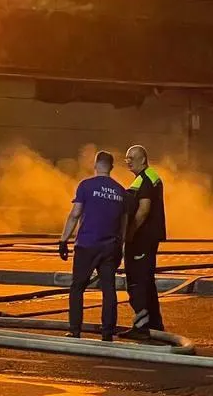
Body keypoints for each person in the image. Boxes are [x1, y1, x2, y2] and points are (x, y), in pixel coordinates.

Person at [59, 150, 127, 341]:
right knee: (108, 289)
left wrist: (63, 240)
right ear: (112, 167)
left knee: (78, 287)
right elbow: (123, 224)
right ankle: (107, 332)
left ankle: (74, 329)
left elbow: (75, 214)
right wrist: (120, 247)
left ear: (95, 165)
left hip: (87, 245)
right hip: (110, 247)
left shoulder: (86, 186)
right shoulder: (121, 191)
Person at [122, 144, 166, 339]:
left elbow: (143, 210)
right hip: (149, 238)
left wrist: (129, 233)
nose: (128, 161)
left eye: (132, 157)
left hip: (141, 239)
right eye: (126, 158)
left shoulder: (145, 179)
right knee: (147, 282)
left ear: (143, 159)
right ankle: (154, 324)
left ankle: (142, 327)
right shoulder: (150, 177)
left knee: (137, 281)